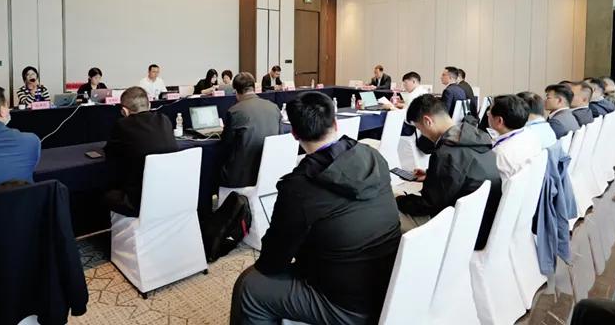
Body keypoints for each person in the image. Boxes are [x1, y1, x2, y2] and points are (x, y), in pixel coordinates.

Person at [230, 92, 401, 325]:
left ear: (294, 133)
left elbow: (272, 262)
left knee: (250, 286)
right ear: (336, 123)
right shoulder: (371, 155)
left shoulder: (299, 187)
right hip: (391, 284)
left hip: (348, 306)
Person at [395, 94, 502, 250]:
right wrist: (432, 174)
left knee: (387, 213)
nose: (422, 134)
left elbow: (429, 204)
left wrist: (399, 200)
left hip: (461, 231)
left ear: (428, 121)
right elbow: (461, 172)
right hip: (484, 222)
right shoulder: (476, 136)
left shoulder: (445, 153)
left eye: (419, 129)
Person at [103, 86, 178, 217]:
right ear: (149, 105)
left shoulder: (122, 125)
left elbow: (110, 153)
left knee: (103, 193)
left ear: (124, 111)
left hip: (138, 201)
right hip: (171, 194)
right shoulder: (164, 119)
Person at [220, 73, 281, 188]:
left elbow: (226, 144)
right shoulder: (274, 107)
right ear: (253, 87)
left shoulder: (234, 111)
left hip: (241, 177)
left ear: (236, 92)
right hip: (268, 173)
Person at [488, 95, 542, 182]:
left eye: (489, 112)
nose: (488, 114)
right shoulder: (532, 135)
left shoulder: (499, 153)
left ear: (499, 121)